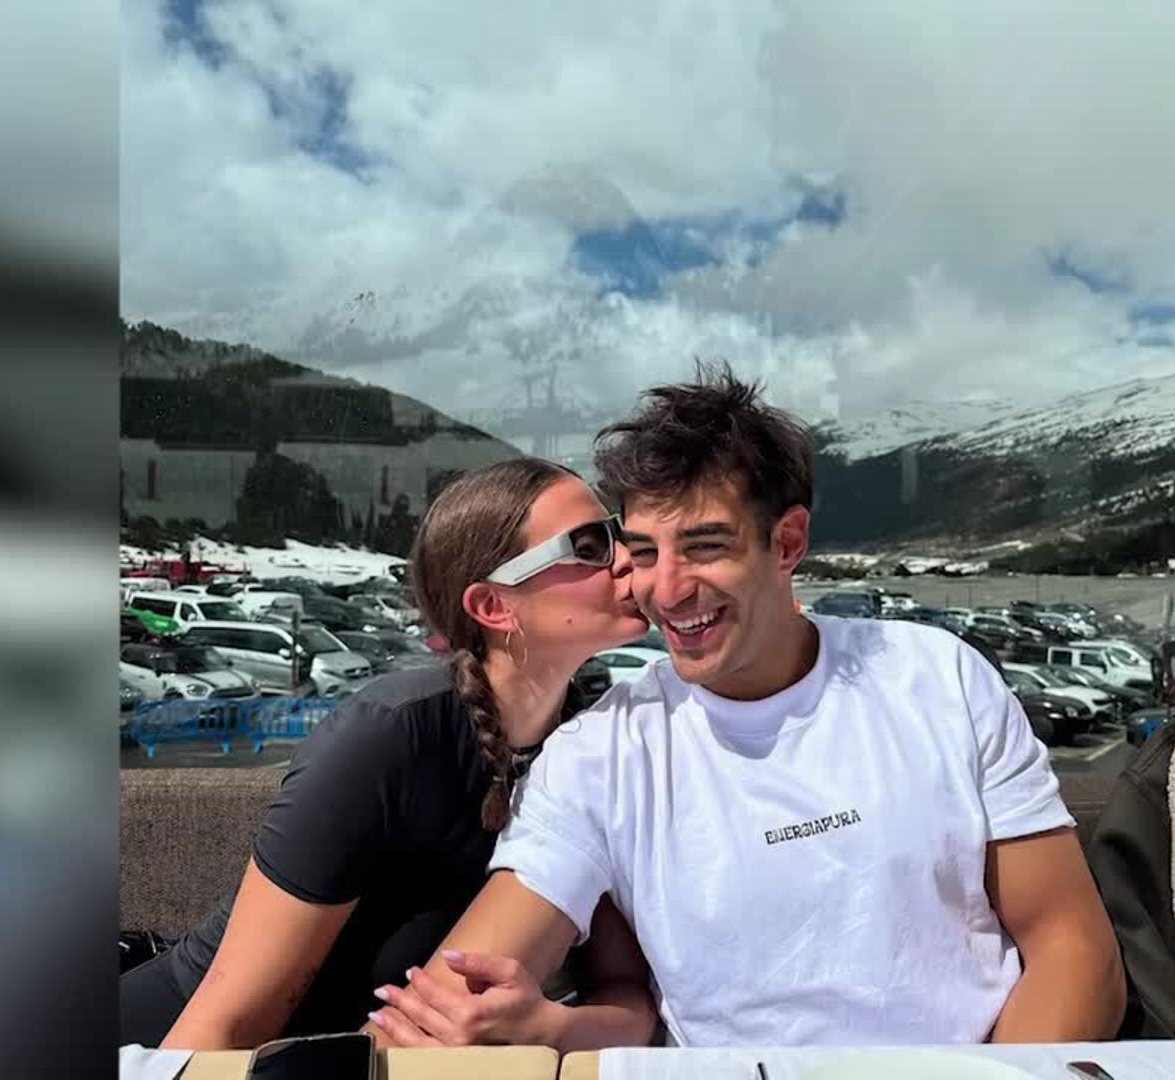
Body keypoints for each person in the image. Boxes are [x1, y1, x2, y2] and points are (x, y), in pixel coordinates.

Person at [368, 366, 1123, 1048]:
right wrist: (480, 1023)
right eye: (644, 552)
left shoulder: (937, 678)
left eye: (704, 546)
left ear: (787, 542)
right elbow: (445, 1013)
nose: (666, 590)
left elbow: (1072, 947)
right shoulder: (602, 753)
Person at [119, 458, 660, 1050]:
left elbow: (628, 998)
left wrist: (549, 1027)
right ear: (493, 607)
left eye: (617, 533)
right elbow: (224, 1023)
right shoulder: (390, 737)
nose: (627, 558)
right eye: (589, 546)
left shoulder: (593, 745)